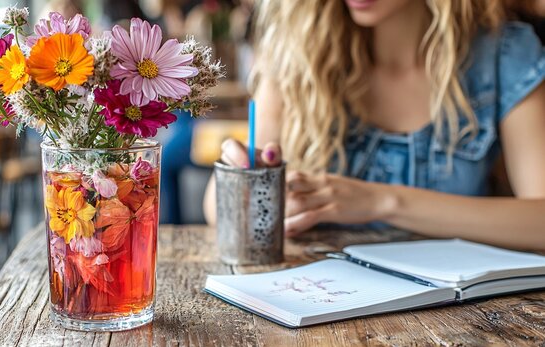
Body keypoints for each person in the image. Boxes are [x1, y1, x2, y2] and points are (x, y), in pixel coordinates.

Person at [203, 0, 545, 251]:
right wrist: (244, 181)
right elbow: (217, 212)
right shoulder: (297, 55)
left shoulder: (505, 53)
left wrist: (381, 202)